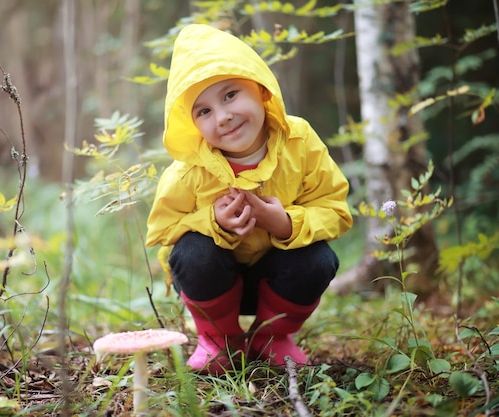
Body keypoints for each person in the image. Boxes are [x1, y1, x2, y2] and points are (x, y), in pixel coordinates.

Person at [145, 24, 353, 374]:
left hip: (278, 283)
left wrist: (285, 223)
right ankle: (220, 341)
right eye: (204, 111)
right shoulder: (189, 170)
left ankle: (272, 338)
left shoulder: (298, 141)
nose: (223, 116)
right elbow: (160, 229)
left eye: (230, 95)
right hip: (212, 285)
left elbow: (335, 209)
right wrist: (212, 221)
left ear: (260, 90)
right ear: (193, 124)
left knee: (318, 258)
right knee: (193, 251)